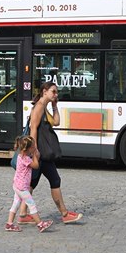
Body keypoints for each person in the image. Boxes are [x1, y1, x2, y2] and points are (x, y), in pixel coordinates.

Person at [17, 82, 83, 224]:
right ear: (44, 91)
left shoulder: (45, 107)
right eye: (53, 92)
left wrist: (54, 106)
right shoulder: (39, 107)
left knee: (32, 183)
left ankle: (23, 214)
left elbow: (57, 122)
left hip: (43, 153)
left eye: (56, 92)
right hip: (41, 153)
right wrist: (34, 152)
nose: (56, 94)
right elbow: (33, 129)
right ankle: (64, 214)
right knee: (54, 180)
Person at [5, 135, 53, 232]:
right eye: (33, 147)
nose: (35, 148)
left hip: (17, 185)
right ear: (28, 149)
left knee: (15, 203)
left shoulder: (20, 156)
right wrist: (35, 156)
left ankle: (9, 224)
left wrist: (33, 155)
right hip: (22, 187)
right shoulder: (26, 159)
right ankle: (40, 224)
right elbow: (35, 166)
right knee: (31, 205)